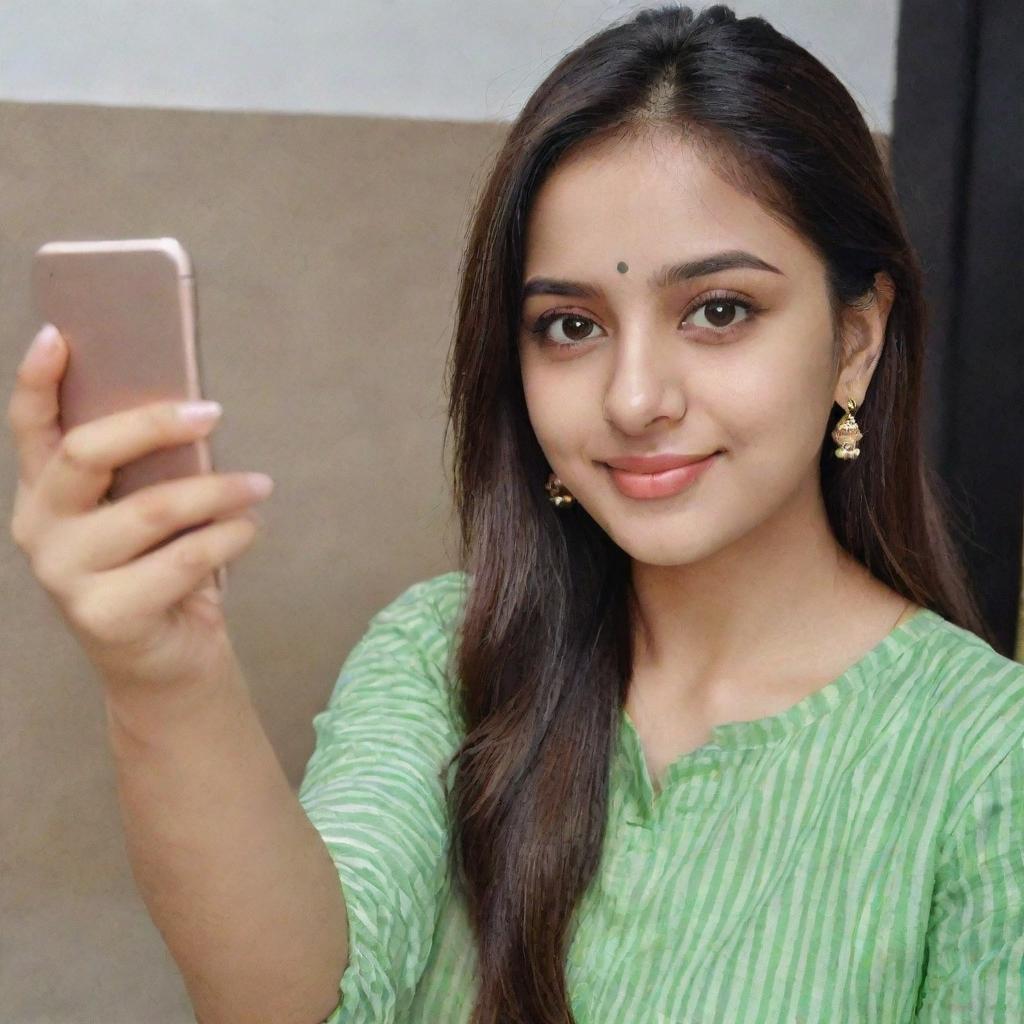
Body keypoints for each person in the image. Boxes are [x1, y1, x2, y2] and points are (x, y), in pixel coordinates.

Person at [7, 4, 1021, 1024]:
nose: (633, 398)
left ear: (854, 340)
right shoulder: (440, 657)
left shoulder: (987, 759)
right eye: (569, 325)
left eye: (717, 311)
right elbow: (296, 1002)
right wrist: (164, 678)